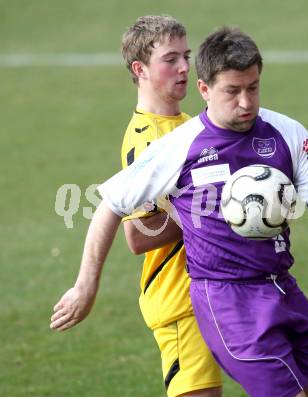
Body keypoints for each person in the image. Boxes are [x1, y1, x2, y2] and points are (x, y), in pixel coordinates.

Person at [52, 27, 308, 397]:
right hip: (227, 303)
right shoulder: (179, 147)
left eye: (253, 88)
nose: (246, 102)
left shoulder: (287, 132)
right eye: (232, 91)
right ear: (205, 90)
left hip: (283, 289)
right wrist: (85, 287)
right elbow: (110, 205)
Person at [50, 16, 222, 397]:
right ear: (140, 69)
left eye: (186, 56)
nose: (183, 67)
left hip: (217, 288)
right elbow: (138, 235)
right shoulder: (146, 140)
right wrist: (222, 207)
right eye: (170, 59)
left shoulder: (189, 124)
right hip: (180, 301)